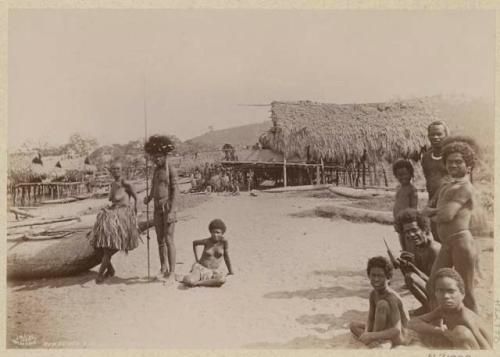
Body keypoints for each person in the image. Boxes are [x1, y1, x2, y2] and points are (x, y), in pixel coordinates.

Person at [422, 136, 479, 313]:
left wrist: (432, 214)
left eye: (458, 162)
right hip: (448, 244)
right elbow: (427, 208)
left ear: (468, 166)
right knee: (433, 284)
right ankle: (441, 320)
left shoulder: (465, 188)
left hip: (461, 243)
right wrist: (433, 212)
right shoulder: (447, 186)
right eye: (449, 162)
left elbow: (447, 215)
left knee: (466, 292)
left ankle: (478, 332)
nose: (453, 165)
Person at [408, 268, 491, 349]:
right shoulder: (444, 310)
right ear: (435, 293)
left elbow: (487, 347)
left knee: (460, 333)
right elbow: (412, 323)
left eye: (451, 291)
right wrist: (442, 331)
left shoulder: (465, 317)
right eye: (440, 290)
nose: (445, 296)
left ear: (462, 294)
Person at [89, 160, 140, 284]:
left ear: (122, 170)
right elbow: (113, 201)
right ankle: (110, 270)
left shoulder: (126, 183)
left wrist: (134, 213)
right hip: (112, 214)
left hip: (122, 216)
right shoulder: (112, 184)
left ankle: (100, 275)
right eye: (113, 169)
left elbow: (136, 198)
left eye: (118, 169)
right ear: (111, 171)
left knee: (107, 249)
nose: (116, 171)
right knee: (98, 243)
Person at [349, 256, 409, 348]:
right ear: (369, 275)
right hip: (384, 329)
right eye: (373, 275)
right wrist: (367, 333)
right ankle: (379, 341)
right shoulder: (373, 294)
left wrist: (372, 335)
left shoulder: (392, 297)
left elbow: (397, 330)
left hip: (400, 335)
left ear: (388, 277)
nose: (376, 279)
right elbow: (371, 319)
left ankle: (379, 341)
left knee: (382, 305)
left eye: (380, 276)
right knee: (353, 325)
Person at [143, 135, 178, 282]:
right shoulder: (156, 171)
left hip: (168, 208)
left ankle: (172, 272)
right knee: (159, 240)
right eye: (154, 157)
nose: (156, 160)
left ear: (165, 156)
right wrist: (149, 198)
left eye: (159, 157)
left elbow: (176, 191)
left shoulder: (170, 170)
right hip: (157, 208)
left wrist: (172, 211)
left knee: (169, 239)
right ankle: (163, 268)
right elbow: (154, 187)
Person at [394, 208, 441, 316]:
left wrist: (412, 268)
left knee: (411, 277)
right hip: (433, 290)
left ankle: (432, 310)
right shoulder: (416, 246)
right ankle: (428, 307)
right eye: (407, 232)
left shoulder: (434, 249)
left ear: (424, 229)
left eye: (414, 230)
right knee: (409, 276)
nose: (411, 235)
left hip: (443, 292)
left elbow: (434, 282)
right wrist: (403, 265)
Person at [182, 219, 234, 287]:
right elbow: (195, 243)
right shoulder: (207, 241)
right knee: (190, 281)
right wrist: (197, 259)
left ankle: (198, 283)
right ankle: (201, 281)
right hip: (201, 268)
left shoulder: (224, 242)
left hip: (214, 271)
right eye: (213, 232)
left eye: (218, 232)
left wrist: (230, 271)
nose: (215, 235)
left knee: (222, 280)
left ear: (222, 233)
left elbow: (226, 257)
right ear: (210, 232)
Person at [421, 121, 449, 242]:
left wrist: (432, 202)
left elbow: (450, 180)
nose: (436, 137)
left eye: (439, 134)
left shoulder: (450, 156)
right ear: (428, 136)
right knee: (436, 236)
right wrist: (431, 201)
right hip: (432, 202)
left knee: (448, 237)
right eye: (432, 134)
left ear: (446, 135)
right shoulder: (426, 157)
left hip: (448, 201)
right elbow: (429, 179)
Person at [392, 159, 419, 251]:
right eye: (399, 175)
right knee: (402, 242)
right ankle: (405, 256)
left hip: (407, 222)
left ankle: (411, 258)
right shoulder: (399, 188)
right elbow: (397, 204)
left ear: (411, 174)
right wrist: (396, 220)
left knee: (409, 243)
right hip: (399, 221)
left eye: (405, 174)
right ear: (396, 176)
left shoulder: (412, 189)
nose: (403, 177)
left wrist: (411, 221)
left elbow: (414, 208)